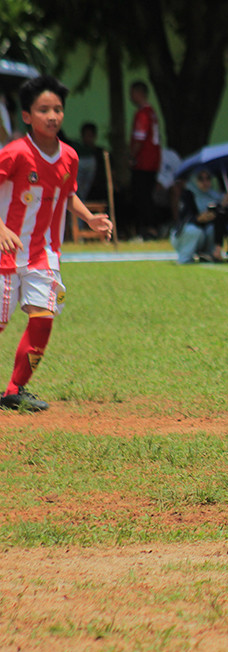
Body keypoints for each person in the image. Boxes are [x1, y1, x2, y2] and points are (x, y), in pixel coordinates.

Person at [0, 75, 113, 412]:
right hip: (5, 252)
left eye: (58, 109)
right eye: (44, 109)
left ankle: (13, 390)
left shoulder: (70, 157)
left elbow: (68, 195)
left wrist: (89, 218)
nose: (52, 116)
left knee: (43, 318)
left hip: (43, 253)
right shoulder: (15, 153)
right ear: (26, 116)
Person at [129, 81, 162, 239]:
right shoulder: (152, 112)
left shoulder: (142, 114)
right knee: (147, 195)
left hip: (144, 161)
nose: (130, 96)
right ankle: (151, 229)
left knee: (142, 196)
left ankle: (147, 230)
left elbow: (139, 139)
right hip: (153, 161)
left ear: (138, 93)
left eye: (132, 93)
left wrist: (132, 156)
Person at [169, 169, 223, 264]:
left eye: (208, 178)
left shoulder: (215, 196)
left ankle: (208, 255)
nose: (205, 182)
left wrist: (225, 205)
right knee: (194, 230)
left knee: (212, 228)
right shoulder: (188, 195)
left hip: (203, 237)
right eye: (201, 179)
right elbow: (184, 219)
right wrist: (198, 218)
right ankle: (184, 258)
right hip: (183, 236)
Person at [73, 122, 107, 202]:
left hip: (98, 191)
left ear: (95, 136)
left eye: (90, 135)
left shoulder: (101, 153)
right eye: (86, 135)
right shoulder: (76, 152)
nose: (88, 138)